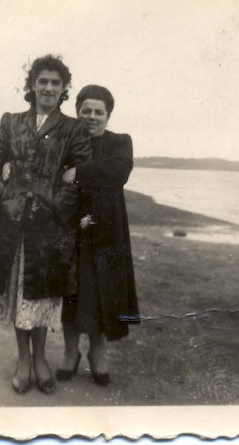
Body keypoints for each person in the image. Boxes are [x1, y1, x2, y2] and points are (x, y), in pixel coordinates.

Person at [0, 54, 91, 395]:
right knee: (17, 292)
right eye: (42, 81)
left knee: (42, 295)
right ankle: (22, 361)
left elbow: (80, 179)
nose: (48, 87)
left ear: (63, 90)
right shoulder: (12, 122)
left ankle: (41, 359)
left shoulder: (74, 128)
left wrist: (56, 207)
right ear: (31, 85)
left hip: (50, 227)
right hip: (13, 225)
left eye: (55, 83)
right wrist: (4, 196)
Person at [56, 84, 140, 386]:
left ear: (108, 115)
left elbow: (119, 170)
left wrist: (77, 172)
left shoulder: (120, 142)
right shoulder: (66, 142)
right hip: (71, 230)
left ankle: (97, 354)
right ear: (78, 112)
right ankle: (69, 353)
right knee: (71, 291)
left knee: (102, 293)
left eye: (98, 112)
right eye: (86, 111)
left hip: (107, 232)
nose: (91, 117)